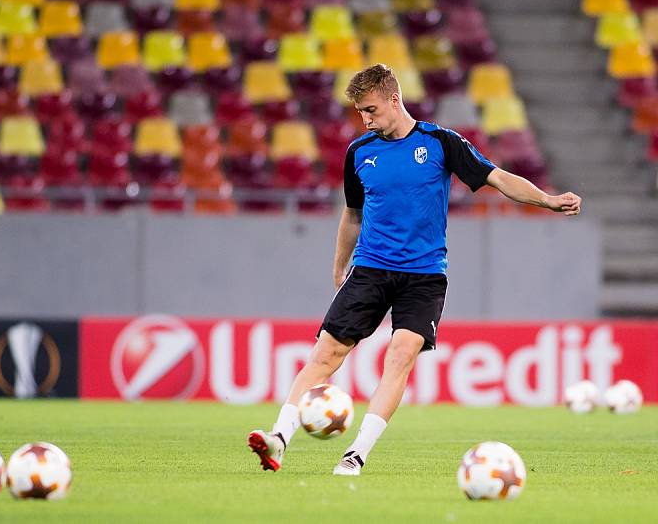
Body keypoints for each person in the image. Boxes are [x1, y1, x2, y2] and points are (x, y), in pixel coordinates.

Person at [247, 63, 582, 476]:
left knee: (400, 355)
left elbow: (498, 178)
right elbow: (352, 215)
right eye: (359, 113)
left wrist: (546, 200)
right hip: (369, 268)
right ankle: (279, 438)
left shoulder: (440, 142)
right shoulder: (360, 152)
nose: (365, 120)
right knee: (326, 354)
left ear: (394, 99)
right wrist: (339, 267)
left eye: (370, 110)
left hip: (423, 275)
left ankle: (356, 455)